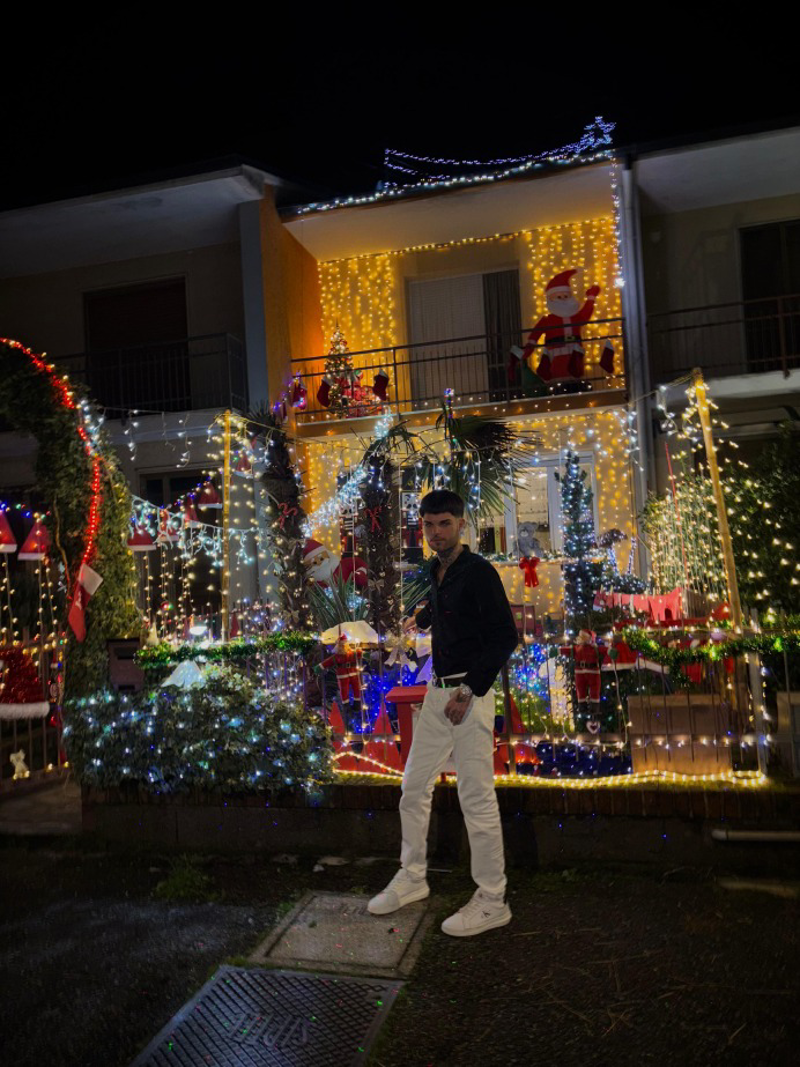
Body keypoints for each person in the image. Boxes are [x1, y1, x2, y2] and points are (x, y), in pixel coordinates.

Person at [368, 489, 519, 936]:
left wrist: (469, 690)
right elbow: (445, 608)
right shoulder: (438, 570)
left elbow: (504, 637)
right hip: (437, 694)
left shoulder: (480, 572)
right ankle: (413, 876)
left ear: (461, 524)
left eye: (444, 524)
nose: (436, 533)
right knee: (413, 788)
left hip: (468, 696)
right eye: (429, 525)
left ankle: (492, 899)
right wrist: (422, 618)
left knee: (476, 798)